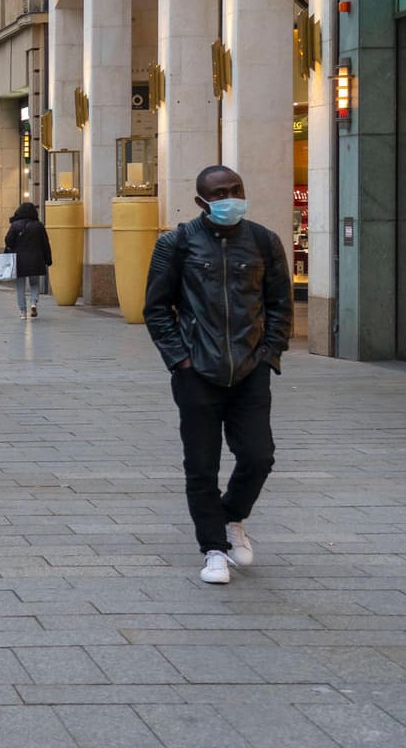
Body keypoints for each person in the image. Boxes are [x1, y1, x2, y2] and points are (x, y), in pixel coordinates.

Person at [143, 165, 293, 585]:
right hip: (197, 371)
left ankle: (232, 518)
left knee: (258, 456)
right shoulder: (176, 244)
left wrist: (268, 355)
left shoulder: (264, 241)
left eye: (236, 189)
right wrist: (181, 360)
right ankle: (213, 549)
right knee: (202, 465)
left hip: (251, 370)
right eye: (220, 193)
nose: (230, 198)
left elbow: (280, 304)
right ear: (201, 202)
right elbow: (156, 308)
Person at [4, 202, 53, 319]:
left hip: (19, 260)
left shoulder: (15, 225)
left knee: (20, 286)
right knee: (34, 283)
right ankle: (33, 303)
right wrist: (48, 259)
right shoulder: (39, 225)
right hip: (36, 260)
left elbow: (8, 241)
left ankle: (22, 312)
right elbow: (45, 244)